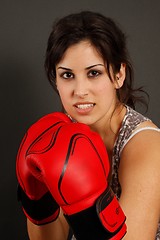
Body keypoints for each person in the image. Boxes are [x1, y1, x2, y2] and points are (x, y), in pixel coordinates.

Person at [16, 11, 160, 239]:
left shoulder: (147, 146)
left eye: (94, 73)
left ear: (118, 74)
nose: (80, 91)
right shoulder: (60, 139)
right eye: (67, 75)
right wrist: (37, 200)